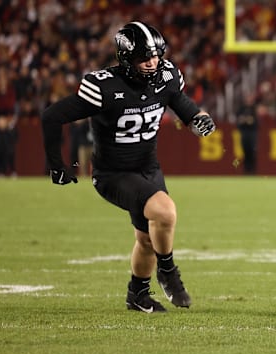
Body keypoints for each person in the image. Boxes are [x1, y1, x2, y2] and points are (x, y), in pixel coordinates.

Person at [41, 21, 216, 313]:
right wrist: (56, 165)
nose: (152, 62)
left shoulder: (167, 75)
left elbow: (184, 107)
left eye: (156, 55)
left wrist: (199, 120)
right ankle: (168, 271)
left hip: (148, 168)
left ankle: (137, 295)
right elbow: (51, 117)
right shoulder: (105, 87)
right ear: (127, 59)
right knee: (165, 211)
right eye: (144, 58)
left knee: (147, 239)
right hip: (114, 175)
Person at [235, 92, 259, 175]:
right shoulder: (241, 109)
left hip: (252, 133)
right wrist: (247, 120)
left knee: (252, 151)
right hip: (244, 132)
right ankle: (246, 170)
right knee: (245, 151)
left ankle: (253, 170)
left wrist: (247, 120)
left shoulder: (254, 109)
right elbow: (238, 121)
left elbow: (256, 122)